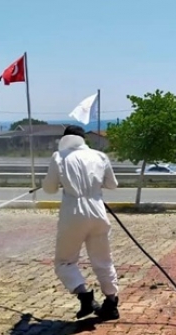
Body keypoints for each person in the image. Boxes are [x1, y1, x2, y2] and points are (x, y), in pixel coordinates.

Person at [41, 125, 120, 320]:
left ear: (65, 139)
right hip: (98, 211)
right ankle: (111, 303)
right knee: (103, 260)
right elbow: (112, 184)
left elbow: (49, 189)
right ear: (83, 139)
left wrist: (59, 181)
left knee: (64, 261)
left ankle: (85, 297)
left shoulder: (59, 157)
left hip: (73, 213)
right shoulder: (100, 156)